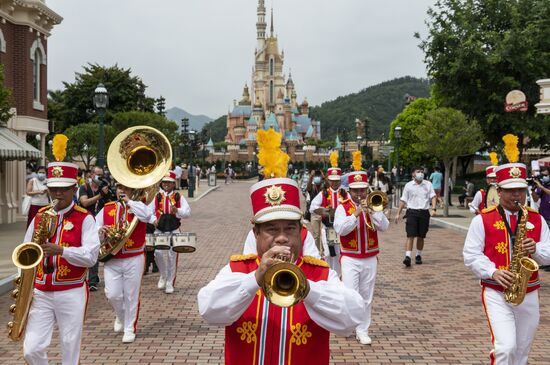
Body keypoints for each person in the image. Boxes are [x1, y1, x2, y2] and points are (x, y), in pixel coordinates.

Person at [198, 177, 364, 365]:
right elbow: (208, 310)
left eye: (290, 229)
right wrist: (254, 279)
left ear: (301, 233)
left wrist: (307, 289)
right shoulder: (238, 270)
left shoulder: (320, 274)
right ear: (256, 233)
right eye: (272, 230)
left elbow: (352, 317)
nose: (282, 238)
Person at [463, 162, 550, 365]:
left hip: (528, 292)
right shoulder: (482, 220)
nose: (517, 195)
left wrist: (536, 249)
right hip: (496, 292)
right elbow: (470, 254)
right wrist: (492, 272)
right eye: (511, 190)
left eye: (520, 189)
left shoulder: (537, 219)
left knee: (521, 352)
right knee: (505, 348)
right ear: (499, 191)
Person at [23, 159, 99, 365]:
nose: (57, 194)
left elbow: (91, 257)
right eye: (53, 189)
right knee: (31, 349)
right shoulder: (39, 216)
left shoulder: (85, 218)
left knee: (69, 345)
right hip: (41, 291)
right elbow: (25, 251)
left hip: (71, 289)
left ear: (74, 187)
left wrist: (61, 251)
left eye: (63, 189)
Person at [334, 169, 390, 345]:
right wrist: (356, 213)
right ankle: (348, 325)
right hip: (350, 257)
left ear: (367, 189)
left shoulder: (374, 205)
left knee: (367, 296)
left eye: (362, 190)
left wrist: (373, 212)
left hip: (370, 258)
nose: (359, 194)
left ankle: (362, 330)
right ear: (349, 191)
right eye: (356, 190)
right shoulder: (342, 207)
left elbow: (384, 227)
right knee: (351, 295)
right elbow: (340, 229)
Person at [96, 183, 153, 343]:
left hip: (134, 257)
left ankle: (129, 328)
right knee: (112, 294)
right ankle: (121, 316)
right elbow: (94, 227)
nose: (121, 190)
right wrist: (100, 232)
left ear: (132, 191)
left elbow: (147, 216)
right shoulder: (107, 208)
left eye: (126, 188)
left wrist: (129, 202)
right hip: (112, 258)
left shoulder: (138, 207)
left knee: (131, 294)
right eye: (119, 187)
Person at [149, 171, 191, 294]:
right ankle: (163, 275)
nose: (167, 184)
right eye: (165, 182)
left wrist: (177, 210)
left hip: (174, 228)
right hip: (160, 229)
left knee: (173, 256)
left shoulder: (179, 197)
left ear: (173, 184)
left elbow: (187, 212)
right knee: (158, 253)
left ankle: (169, 282)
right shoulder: (157, 197)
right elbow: (149, 211)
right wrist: (153, 220)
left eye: (169, 182)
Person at [78, 166, 115, 291]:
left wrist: (107, 194)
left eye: (101, 175)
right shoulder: (84, 188)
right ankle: (82, 277)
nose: (99, 177)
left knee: (95, 248)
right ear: (92, 175)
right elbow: (85, 203)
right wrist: (100, 195)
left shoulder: (103, 188)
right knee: (84, 249)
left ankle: (92, 280)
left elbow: (110, 204)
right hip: (84, 222)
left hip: (98, 223)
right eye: (97, 174)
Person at [395, 167, 437, 266]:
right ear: (413, 174)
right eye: (418, 172)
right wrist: (398, 213)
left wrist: (434, 209)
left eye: (422, 172)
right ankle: (408, 257)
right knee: (410, 235)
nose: (421, 173)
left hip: (424, 212)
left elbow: (433, 196)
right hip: (412, 212)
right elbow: (403, 200)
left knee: (421, 236)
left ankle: (418, 255)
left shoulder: (428, 184)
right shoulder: (408, 186)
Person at [309, 164, 344, 274]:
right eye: (332, 180)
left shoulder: (344, 193)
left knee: (338, 253)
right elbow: (312, 207)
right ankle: (329, 273)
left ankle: (338, 275)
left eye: (337, 180)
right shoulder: (323, 193)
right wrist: (324, 210)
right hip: (329, 227)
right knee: (329, 253)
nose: (334, 183)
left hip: (342, 228)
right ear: (329, 180)